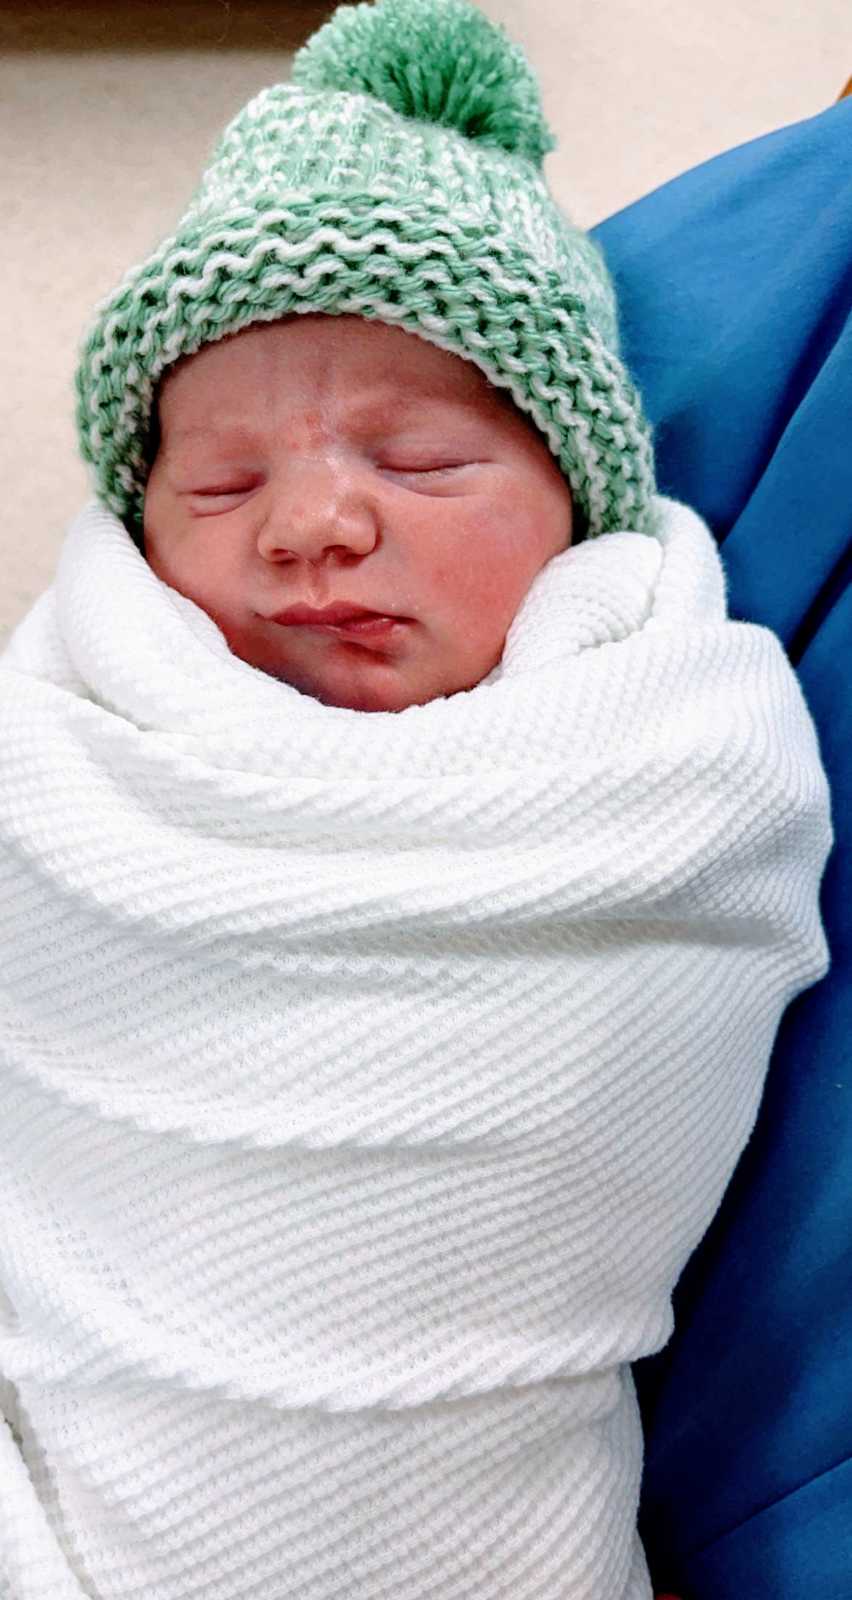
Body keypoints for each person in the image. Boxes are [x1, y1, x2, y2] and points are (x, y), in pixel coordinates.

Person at [0, 1, 834, 1597]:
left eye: (427, 465)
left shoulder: (667, 760)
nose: (313, 525)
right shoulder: (63, 758)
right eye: (224, 483)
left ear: (575, 510)